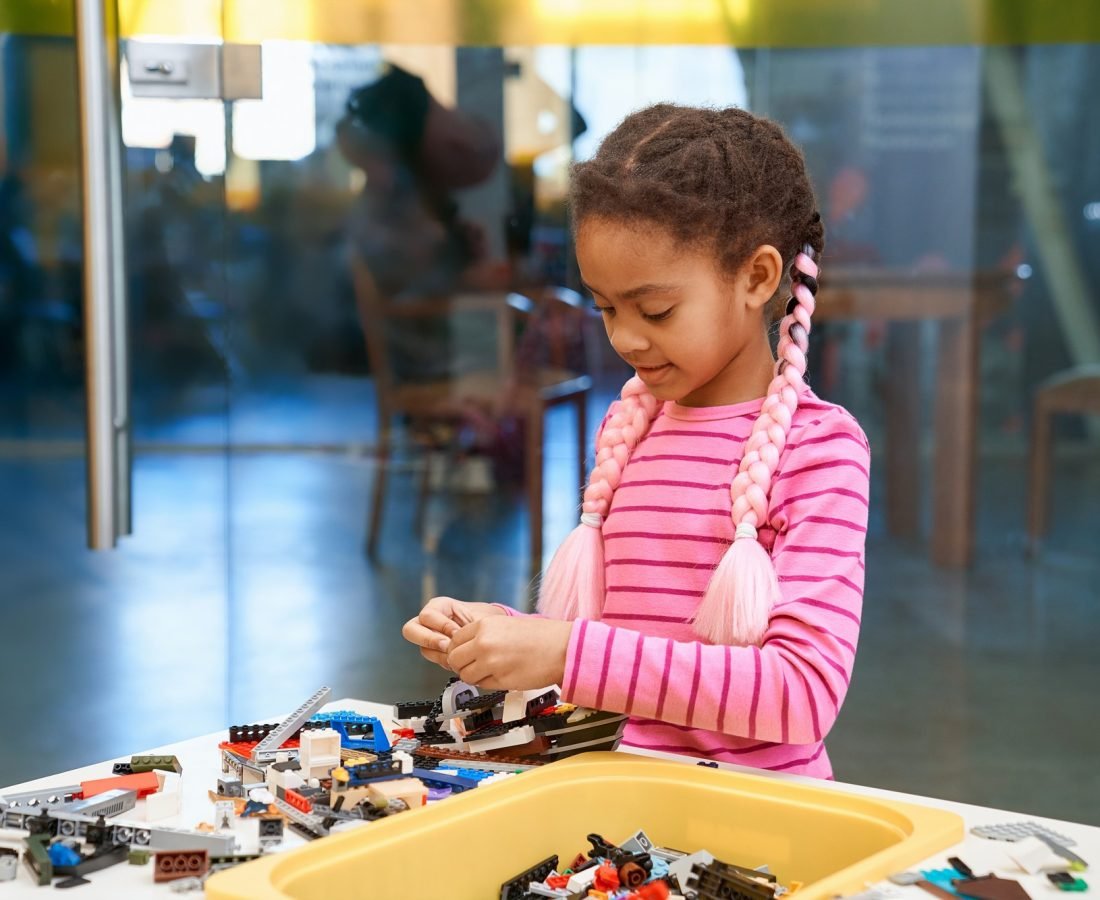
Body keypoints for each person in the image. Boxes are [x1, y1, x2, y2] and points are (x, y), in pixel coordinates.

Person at [402, 103, 871, 780]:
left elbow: (801, 696)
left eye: (655, 310)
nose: (624, 338)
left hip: (749, 814)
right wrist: (497, 635)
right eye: (605, 306)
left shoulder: (820, 451)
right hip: (613, 796)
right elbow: (623, 650)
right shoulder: (632, 427)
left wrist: (562, 652)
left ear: (758, 278)